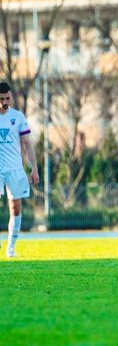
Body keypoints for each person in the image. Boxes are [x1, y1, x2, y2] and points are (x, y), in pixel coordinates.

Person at [0, 82, 39, 257]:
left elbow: (27, 144)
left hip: (15, 168)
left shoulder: (18, 117)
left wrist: (34, 169)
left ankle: (11, 247)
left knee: (15, 209)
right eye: (1, 99)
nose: (5, 102)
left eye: (7, 98)